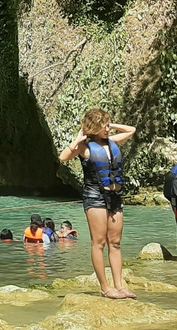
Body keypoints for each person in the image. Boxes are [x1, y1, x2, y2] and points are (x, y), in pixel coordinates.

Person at [59, 108, 136, 300]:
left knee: (115, 243)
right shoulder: (84, 148)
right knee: (99, 243)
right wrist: (78, 139)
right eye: (103, 126)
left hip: (115, 197)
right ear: (93, 127)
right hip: (95, 198)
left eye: (107, 125)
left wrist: (111, 124)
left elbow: (131, 130)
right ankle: (105, 287)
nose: (107, 129)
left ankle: (119, 285)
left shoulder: (112, 142)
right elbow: (63, 157)